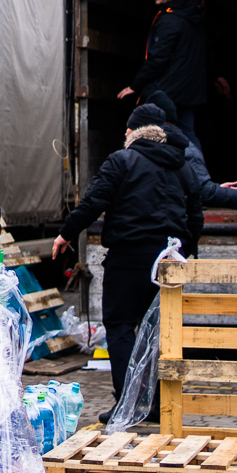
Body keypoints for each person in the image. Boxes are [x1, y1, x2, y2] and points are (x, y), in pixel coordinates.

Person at [52, 104, 197, 399]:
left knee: (120, 328)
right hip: (168, 260)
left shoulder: (122, 160)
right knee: (159, 331)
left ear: (133, 132)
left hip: (128, 258)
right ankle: (158, 404)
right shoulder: (180, 165)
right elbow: (195, 211)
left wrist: (66, 233)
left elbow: (93, 203)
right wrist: (188, 248)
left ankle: (128, 403)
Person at [145, 89, 237, 254]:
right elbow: (202, 191)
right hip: (169, 240)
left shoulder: (137, 150)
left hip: (142, 238)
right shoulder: (184, 148)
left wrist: (216, 189)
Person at [118, 0, 206, 135]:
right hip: (189, 92)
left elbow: (158, 57)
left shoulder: (171, 20)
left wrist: (136, 85)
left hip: (171, 90)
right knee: (186, 134)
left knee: (149, 133)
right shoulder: (191, 15)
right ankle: (195, 163)